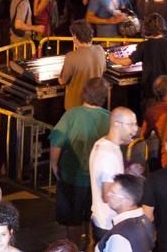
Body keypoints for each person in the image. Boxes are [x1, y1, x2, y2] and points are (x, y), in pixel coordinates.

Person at [50, 77, 111, 243]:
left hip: (72, 177)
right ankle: (93, 247)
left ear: (84, 93)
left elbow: (57, 141)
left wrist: (54, 163)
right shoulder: (109, 118)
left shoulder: (71, 115)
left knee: (73, 220)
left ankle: (75, 248)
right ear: (104, 96)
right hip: (98, 180)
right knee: (94, 219)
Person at [88, 107, 139, 241]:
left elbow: (109, 177)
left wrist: (127, 172)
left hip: (102, 219)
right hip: (108, 223)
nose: (135, 129)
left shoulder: (102, 144)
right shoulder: (108, 155)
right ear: (117, 124)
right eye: (131, 124)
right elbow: (107, 196)